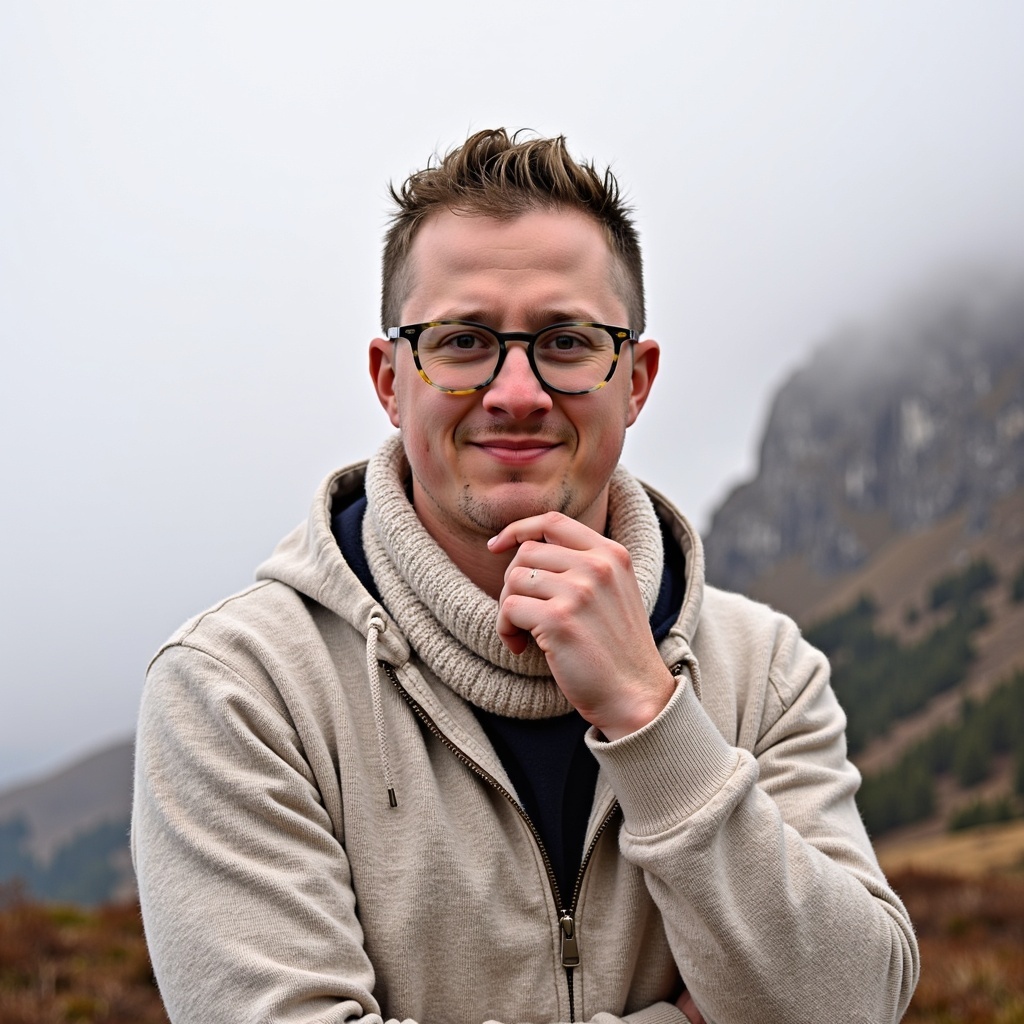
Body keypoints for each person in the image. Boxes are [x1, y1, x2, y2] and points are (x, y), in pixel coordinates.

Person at [132, 128, 919, 1024]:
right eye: (463, 341)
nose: (515, 392)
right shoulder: (237, 686)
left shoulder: (766, 670)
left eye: (567, 341)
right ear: (391, 381)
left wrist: (651, 718)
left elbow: (859, 1004)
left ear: (637, 379)